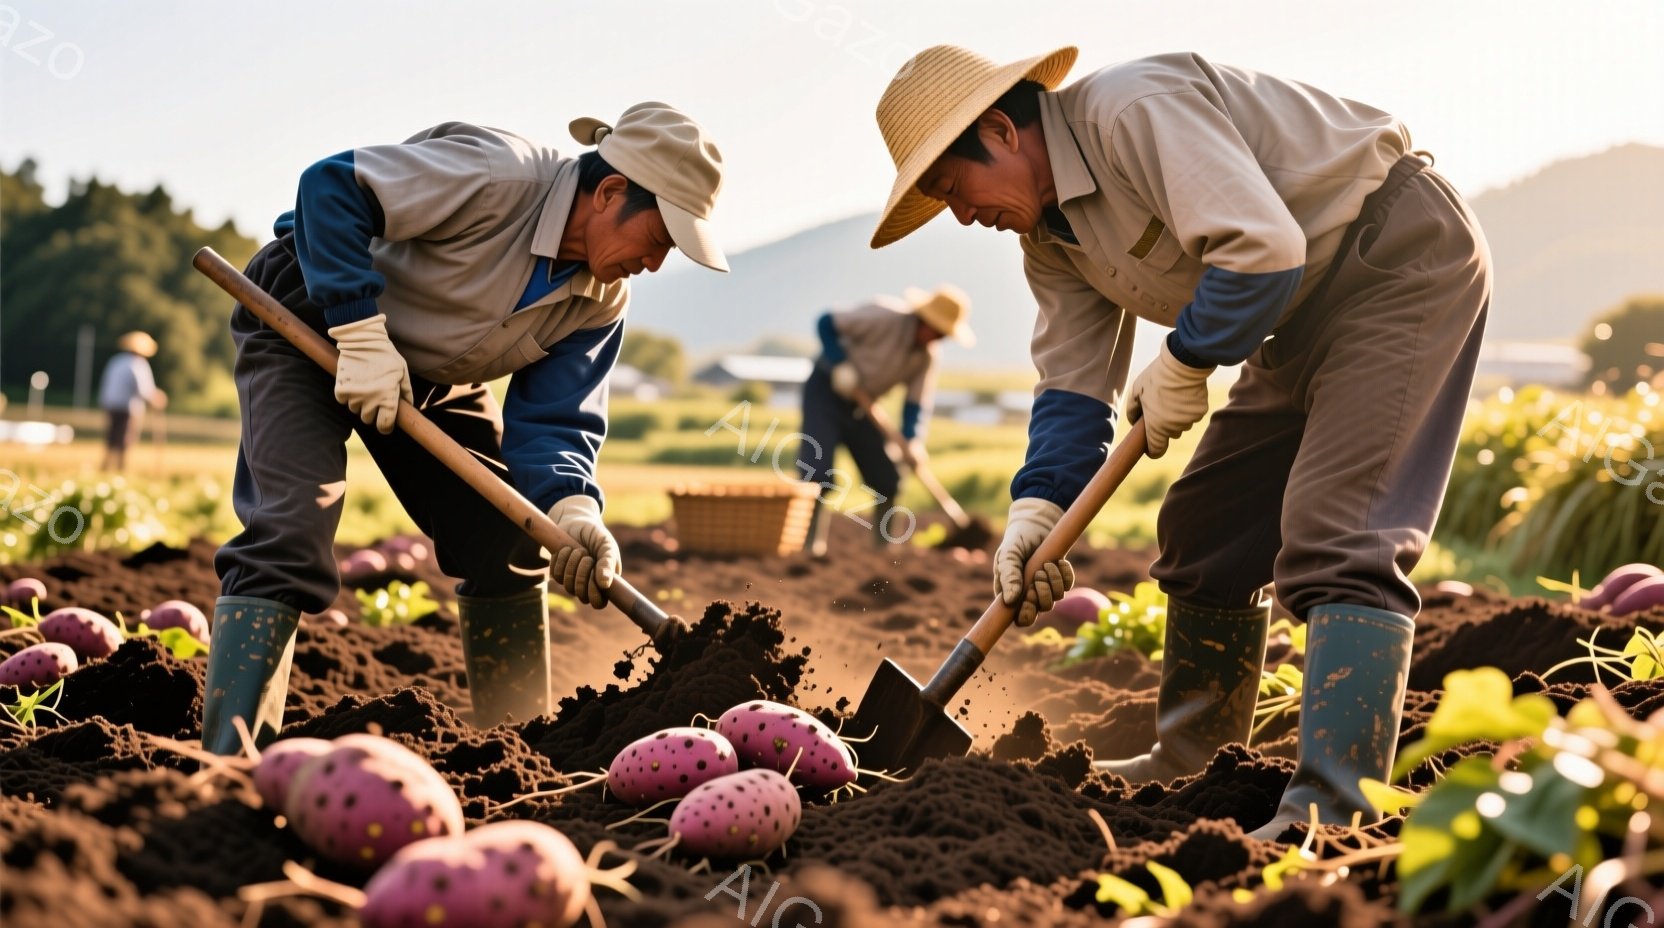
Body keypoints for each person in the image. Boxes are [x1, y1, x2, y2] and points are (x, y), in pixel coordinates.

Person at [868, 46, 1490, 837]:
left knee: (1341, 530)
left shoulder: (1132, 110)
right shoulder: (1049, 243)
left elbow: (1263, 250)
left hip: (1393, 259)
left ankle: (1337, 809)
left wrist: (1186, 359)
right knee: (1206, 526)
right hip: (1290, 320)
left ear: (1000, 129)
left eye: (955, 189)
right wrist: (1037, 506)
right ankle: (1197, 757)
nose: (961, 216)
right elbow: (1072, 386)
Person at [203, 104, 727, 753]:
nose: (655, 260)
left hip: (430, 372)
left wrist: (572, 508)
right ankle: (231, 756)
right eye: (660, 235)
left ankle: (517, 744)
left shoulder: (600, 301)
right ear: (611, 192)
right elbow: (332, 186)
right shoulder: (496, 175)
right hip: (308, 315)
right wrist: (361, 331)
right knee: (291, 528)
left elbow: (555, 422)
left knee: (505, 540)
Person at [796, 286, 973, 554]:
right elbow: (826, 322)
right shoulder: (884, 316)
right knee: (817, 472)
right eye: (936, 331)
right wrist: (840, 363)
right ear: (923, 320)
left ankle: (883, 550)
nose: (936, 339)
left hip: (863, 405)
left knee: (888, 478)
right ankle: (808, 546)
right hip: (825, 392)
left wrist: (912, 440)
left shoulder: (926, 357)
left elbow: (915, 403)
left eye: (942, 336)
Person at [99, 331, 167, 471]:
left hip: (110, 405)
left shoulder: (116, 361)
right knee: (125, 441)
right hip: (127, 408)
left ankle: (105, 468)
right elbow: (144, 390)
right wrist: (157, 398)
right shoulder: (138, 365)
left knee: (112, 440)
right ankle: (120, 470)